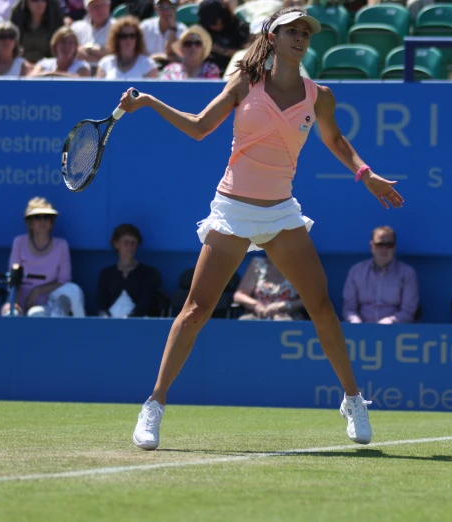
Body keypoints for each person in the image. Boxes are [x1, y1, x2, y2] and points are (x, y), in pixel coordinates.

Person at [117, 6, 403, 451]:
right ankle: (153, 405)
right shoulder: (244, 84)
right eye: (292, 31)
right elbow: (199, 127)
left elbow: (336, 142)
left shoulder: (319, 96)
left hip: (281, 212)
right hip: (232, 208)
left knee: (322, 307)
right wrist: (151, 102)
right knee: (196, 309)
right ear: (272, 37)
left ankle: (353, 399)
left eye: (306, 32)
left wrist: (367, 174)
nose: (301, 38)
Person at [2, 197, 85, 317]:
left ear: (52, 222)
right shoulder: (19, 242)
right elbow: (14, 278)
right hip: (20, 301)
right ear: (30, 223)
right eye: (37, 217)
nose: (43, 221)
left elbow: (64, 282)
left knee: (36, 314)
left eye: (47, 217)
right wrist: (15, 303)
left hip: (50, 306)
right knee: (10, 315)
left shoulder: (61, 245)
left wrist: (39, 290)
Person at [342, 225, 419, 324]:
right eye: (379, 244)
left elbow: (408, 312)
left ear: (395, 247)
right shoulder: (356, 271)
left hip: (395, 331)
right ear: (372, 246)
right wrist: (357, 325)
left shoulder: (407, 273)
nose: (384, 249)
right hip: (360, 334)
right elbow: (349, 309)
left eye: (389, 245)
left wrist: (387, 323)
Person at [97, 223, 162, 318]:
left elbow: (146, 303)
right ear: (116, 244)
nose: (129, 247)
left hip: (139, 325)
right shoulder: (106, 274)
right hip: (109, 325)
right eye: (126, 243)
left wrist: (129, 319)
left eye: (133, 243)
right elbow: (101, 304)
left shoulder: (149, 273)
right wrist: (105, 319)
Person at [233, 255, 305, 320]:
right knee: (245, 321)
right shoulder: (257, 264)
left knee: (282, 321)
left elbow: (309, 300)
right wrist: (256, 305)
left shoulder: (298, 267)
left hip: (287, 315)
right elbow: (239, 295)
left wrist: (285, 305)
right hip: (258, 314)